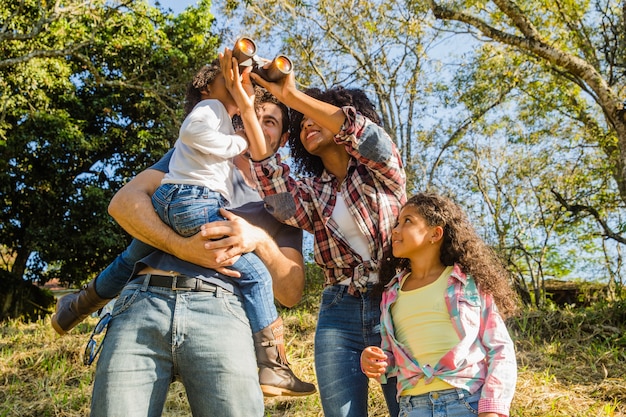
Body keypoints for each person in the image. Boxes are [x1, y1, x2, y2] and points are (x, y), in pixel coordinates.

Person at [223, 49, 407, 417]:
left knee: (408, 408)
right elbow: (273, 186)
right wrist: (247, 109)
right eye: (302, 120)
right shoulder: (312, 193)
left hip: (397, 303)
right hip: (338, 311)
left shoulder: (384, 172)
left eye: (315, 115)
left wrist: (292, 95)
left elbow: (361, 132)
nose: (307, 122)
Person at [360, 192, 519, 417]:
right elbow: (393, 359)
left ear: (435, 234)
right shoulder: (391, 294)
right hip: (412, 407)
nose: (395, 229)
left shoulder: (467, 284)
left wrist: (492, 409)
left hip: (467, 402)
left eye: (408, 221)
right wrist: (376, 361)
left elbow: (500, 349)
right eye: (396, 223)